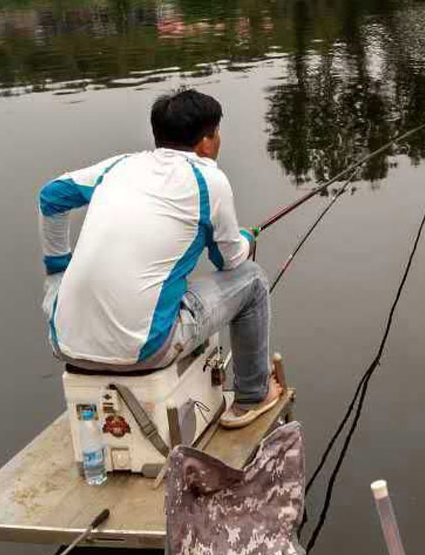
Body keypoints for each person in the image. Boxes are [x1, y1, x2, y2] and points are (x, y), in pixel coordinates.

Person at [36, 89, 281, 428]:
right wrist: (246, 237)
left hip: (63, 342)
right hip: (145, 348)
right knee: (253, 280)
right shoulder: (209, 178)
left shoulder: (120, 165)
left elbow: (50, 198)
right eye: (217, 132)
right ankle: (253, 396)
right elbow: (231, 261)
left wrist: (57, 269)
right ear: (207, 142)